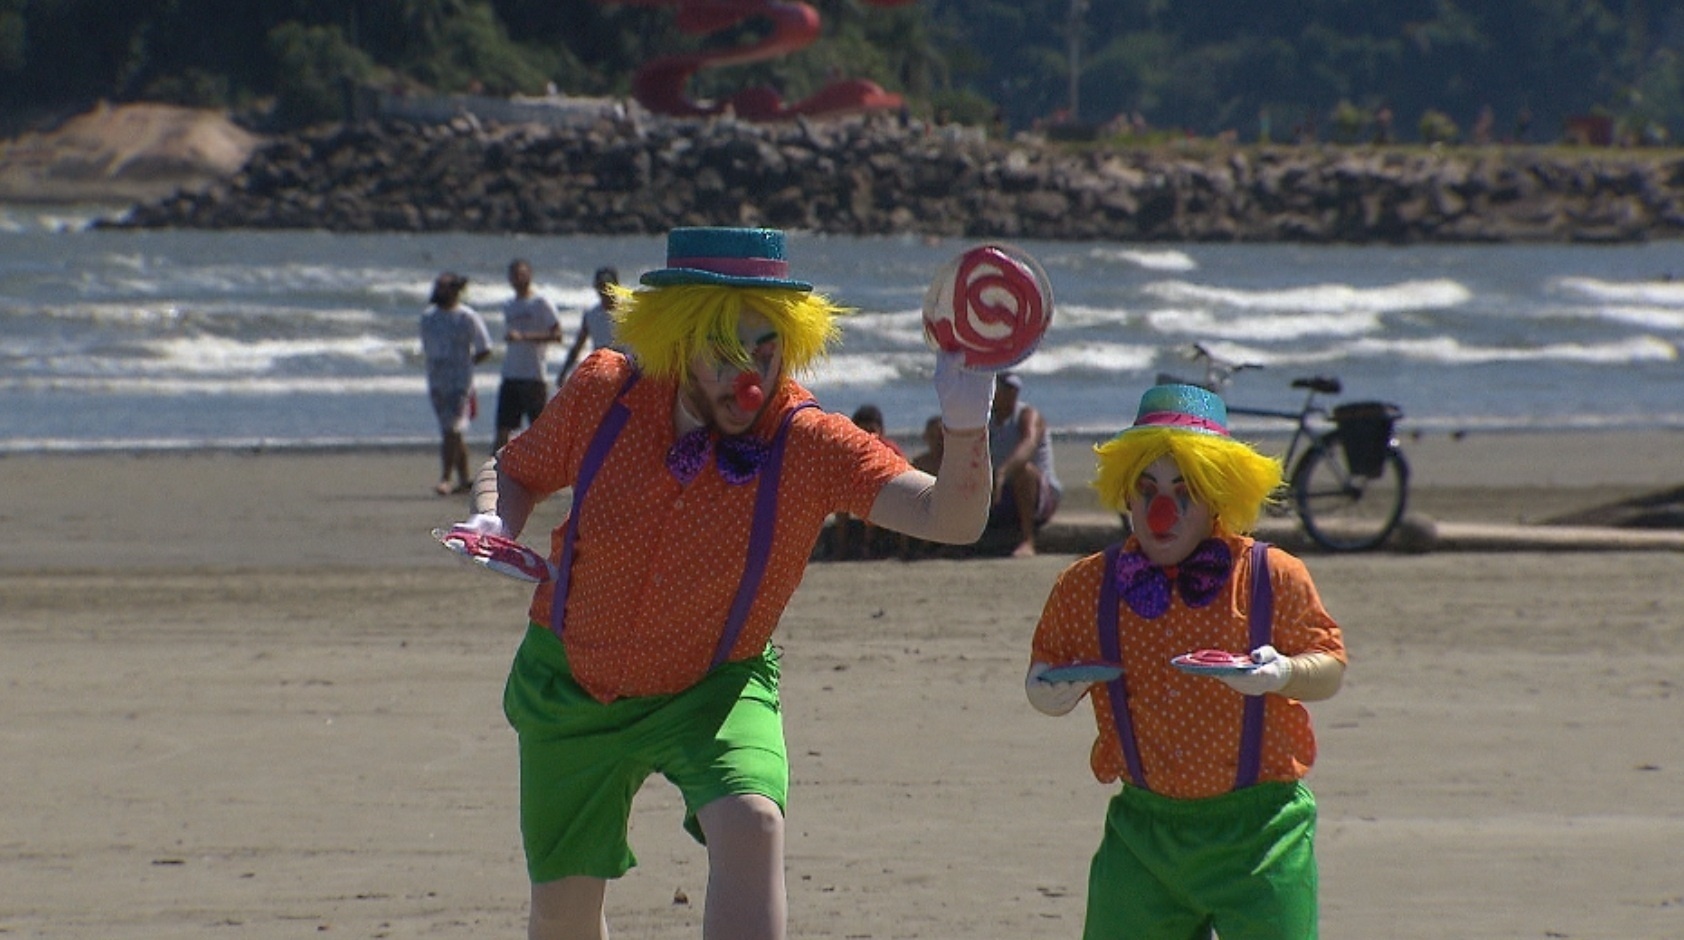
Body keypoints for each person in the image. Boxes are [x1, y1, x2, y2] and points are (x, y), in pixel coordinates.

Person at [443, 227, 996, 940]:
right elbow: (517, 468)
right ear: (677, 341)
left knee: (752, 823)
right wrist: (492, 519)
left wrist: (966, 424)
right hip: (572, 683)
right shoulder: (605, 392)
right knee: (562, 915)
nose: (751, 375)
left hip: (716, 687)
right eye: (726, 351)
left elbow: (951, 518)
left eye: (767, 349)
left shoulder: (808, 441)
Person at [1025, 383, 1348, 939]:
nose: (1162, 512)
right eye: (1147, 489)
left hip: (1263, 833)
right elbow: (1043, 672)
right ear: (1126, 494)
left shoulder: (1272, 576)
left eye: (1185, 491)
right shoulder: (1085, 586)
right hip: (1142, 838)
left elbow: (1331, 666)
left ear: (1218, 497)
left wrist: (1282, 673)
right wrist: (1048, 692)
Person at [419, 271, 491, 496]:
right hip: (437, 379)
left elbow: (485, 348)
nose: (440, 291)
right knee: (452, 431)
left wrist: (466, 365)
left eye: (445, 287)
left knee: (452, 428)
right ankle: (464, 478)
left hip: (460, 382)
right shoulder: (428, 317)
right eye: (438, 286)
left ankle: (445, 478)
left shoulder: (467, 317)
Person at [987, 370, 1062, 557]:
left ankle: (1028, 540)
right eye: (1004, 389)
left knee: (1023, 471)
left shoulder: (1027, 415)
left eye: (1012, 390)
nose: (1010, 394)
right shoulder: (987, 421)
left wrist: (1002, 473)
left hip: (1039, 496)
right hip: (1000, 493)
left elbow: (1029, 443)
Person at [494, 259, 563, 453]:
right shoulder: (509, 305)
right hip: (511, 374)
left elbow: (557, 334)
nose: (518, 278)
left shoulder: (541, 303)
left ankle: (544, 466)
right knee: (503, 429)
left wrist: (524, 337)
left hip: (533, 376)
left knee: (539, 430)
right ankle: (499, 469)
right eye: (514, 275)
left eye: (522, 274)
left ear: (530, 275)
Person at [826, 404, 905, 560]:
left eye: (871, 431)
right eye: (863, 431)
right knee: (842, 501)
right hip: (860, 492)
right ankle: (841, 546)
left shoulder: (889, 448)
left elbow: (904, 472)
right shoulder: (850, 449)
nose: (868, 436)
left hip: (887, 492)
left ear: (881, 431)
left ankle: (871, 545)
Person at [555, 266, 622, 386]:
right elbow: (578, 345)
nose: (605, 290)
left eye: (609, 285)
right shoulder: (591, 314)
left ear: (617, 285)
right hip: (601, 372)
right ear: (596, 287)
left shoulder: (629, 311)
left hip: (625, 371)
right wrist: (564, 372)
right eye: (601, 285)